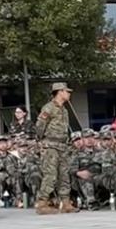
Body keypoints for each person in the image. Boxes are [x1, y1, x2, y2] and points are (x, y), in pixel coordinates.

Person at [34, 82, 78, 215]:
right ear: (60, 92)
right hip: (51, 146)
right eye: (67, 91)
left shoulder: (64, 110)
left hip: (62, 145)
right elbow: (40, 126)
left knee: (64, 174)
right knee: (50, 174)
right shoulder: (48, 108)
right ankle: (42, 203)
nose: (69, 94)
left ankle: (65, 202)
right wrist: (43, 141)